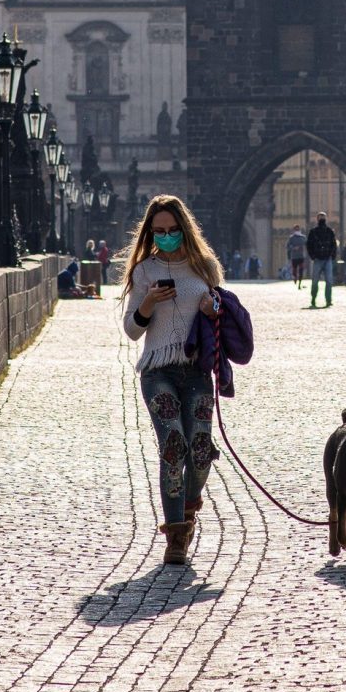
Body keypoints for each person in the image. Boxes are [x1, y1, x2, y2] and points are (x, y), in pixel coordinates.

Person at [119, 194, 228, 565]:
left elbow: (221, 311)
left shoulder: (205, 267)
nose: (166, 236)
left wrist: (212, 309)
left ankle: (190, 504)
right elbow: (132, 331)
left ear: (185, 229)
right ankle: (176, 535)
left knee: (199, 449)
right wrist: (147, 304)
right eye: (158, 231)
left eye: (172, 230)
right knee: (173, 446)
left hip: (196, 370)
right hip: (158, 371)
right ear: (150, 232)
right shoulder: (144, 271)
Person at [305, 212, 339, 308]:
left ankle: (328, 300)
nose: (322, 220)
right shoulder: (313, 232)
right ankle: (313, 299)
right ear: (317, 219)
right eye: (321, 218)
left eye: (323, 218)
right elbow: (309, 245)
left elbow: (334, 244)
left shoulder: (329, 231)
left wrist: (332, 255)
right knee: (315, 281)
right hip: (318, 259)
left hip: (327, 258)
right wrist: (312, 256)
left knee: (329, 280)